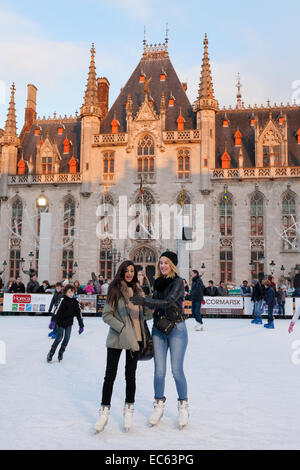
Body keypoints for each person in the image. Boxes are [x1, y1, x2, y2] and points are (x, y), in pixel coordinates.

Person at [130, 251, 189, 430]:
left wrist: (144, 301)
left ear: (173, 265)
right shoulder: (157, 282)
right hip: (159, 329)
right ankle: (158, 405)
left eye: (166, 262)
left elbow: (169, 302)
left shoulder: (178, 282)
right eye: (160, 262)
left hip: (176, 329)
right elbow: (154, 307)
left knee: (177, 371)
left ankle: (183, 406)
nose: (162, 265)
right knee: (159, 372)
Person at [94, 261, 147, 433]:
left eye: (133, 271)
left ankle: (129, 410)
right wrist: (122, 328)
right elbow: (106, 315)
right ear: (122, 272)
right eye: (127, 271)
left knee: (130, 376)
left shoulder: (139, 291)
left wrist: (146, 302)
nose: (130, 274)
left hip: (135, 339)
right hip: (118, 338)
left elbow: (146, 316)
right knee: (110, 375)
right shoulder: (115, 290)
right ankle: (104, 411)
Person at [47, 284, 84, 363]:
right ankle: (51, 352)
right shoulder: (62, 299)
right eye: (69, 292)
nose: (71, 294)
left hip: (69, 323)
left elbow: (79, 314)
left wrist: (81, 326)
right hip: (60, 322)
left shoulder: (75, 302)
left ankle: (61, 352)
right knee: (59, 337)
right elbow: (56, 310)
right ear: (66, 292)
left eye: (73, 292)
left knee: (67, 338)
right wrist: (53, 321)